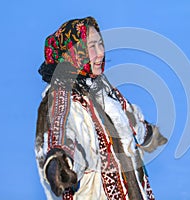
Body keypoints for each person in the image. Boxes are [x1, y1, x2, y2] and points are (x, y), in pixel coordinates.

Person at [35, 16, 167, 200]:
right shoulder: (62, 97)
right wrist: (60, 164)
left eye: (100, 44)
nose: (100, 53)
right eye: (91, 46)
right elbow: (63, 134)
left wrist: (149, 133)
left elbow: (126, 117)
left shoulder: (99, 87)